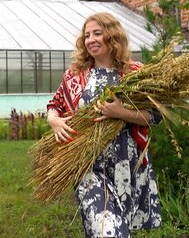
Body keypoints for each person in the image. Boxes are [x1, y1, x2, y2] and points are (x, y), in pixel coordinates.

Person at [46, 12, 162, 237]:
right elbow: (55, 104)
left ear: (113, 35)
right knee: (108, 230)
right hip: (86, 164)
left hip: (125, 165)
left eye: (97, 33)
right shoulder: (75, 75)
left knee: (105, 230)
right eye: (87, 35)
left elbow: (156, 116)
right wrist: (54, 120)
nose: (91, 39)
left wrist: (121, 112)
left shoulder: (135, 74)